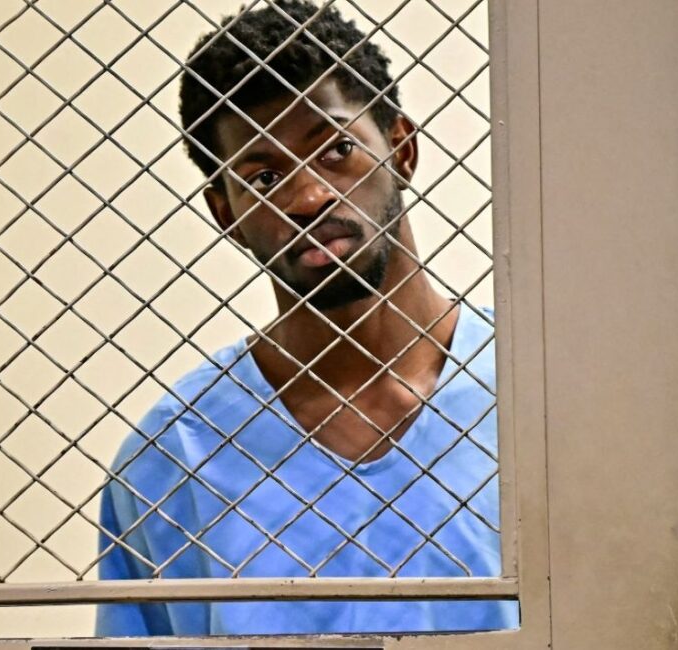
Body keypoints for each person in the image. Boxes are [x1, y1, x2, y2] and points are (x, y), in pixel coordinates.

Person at [96, 0, 517, 636]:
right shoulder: (173, 454)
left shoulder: (531, 392)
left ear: (402, 150)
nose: (309, 195)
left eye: (338, 148)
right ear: (226, 211)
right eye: (263, 177)